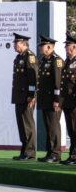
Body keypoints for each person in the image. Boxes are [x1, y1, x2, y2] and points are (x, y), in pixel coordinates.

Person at [37, 34, 64, 163]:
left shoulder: (56, 60)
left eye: (42, 46)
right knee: (48, 127)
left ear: (49, 46)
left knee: (54, 127)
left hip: (53, 101)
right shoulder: (44, 60)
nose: (40, 48)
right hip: (45, 99)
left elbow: (58, 83)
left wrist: (57, 100)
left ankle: (56, 154)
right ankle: (50, 152)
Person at [11, 33, 38, 160]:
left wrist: (31, 95)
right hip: (19, 96)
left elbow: (33, 78)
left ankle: (30, 152)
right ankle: (24, 150)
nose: (14, 45)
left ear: (23, 44)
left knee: (28, 124)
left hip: (27, 97)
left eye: (16, 43)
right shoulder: (18, 57)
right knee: (21, 125)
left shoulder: (30, 56)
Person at [59, 32, 76, 165]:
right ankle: (72, 155)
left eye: (68, 46)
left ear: (74, 47)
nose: (65, 48)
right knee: (71, 130)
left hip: (74, 102)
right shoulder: (67, 61)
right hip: (67, 102)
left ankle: (74, 156)